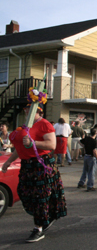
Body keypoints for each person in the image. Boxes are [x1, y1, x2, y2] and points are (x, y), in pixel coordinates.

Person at [2, 102, 67, 243]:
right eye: (26, 108)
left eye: (29, 108)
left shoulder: (45, 124)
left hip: (41, 165)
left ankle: (38, 227)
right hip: (27, 166)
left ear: (39, 111)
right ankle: (45, 218)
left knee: (39, 198)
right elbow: (21, 148)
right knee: (24, 193)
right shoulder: (26, 126)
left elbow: (51, 145)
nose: (26, 110)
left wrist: (33, 143)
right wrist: (8, 162)